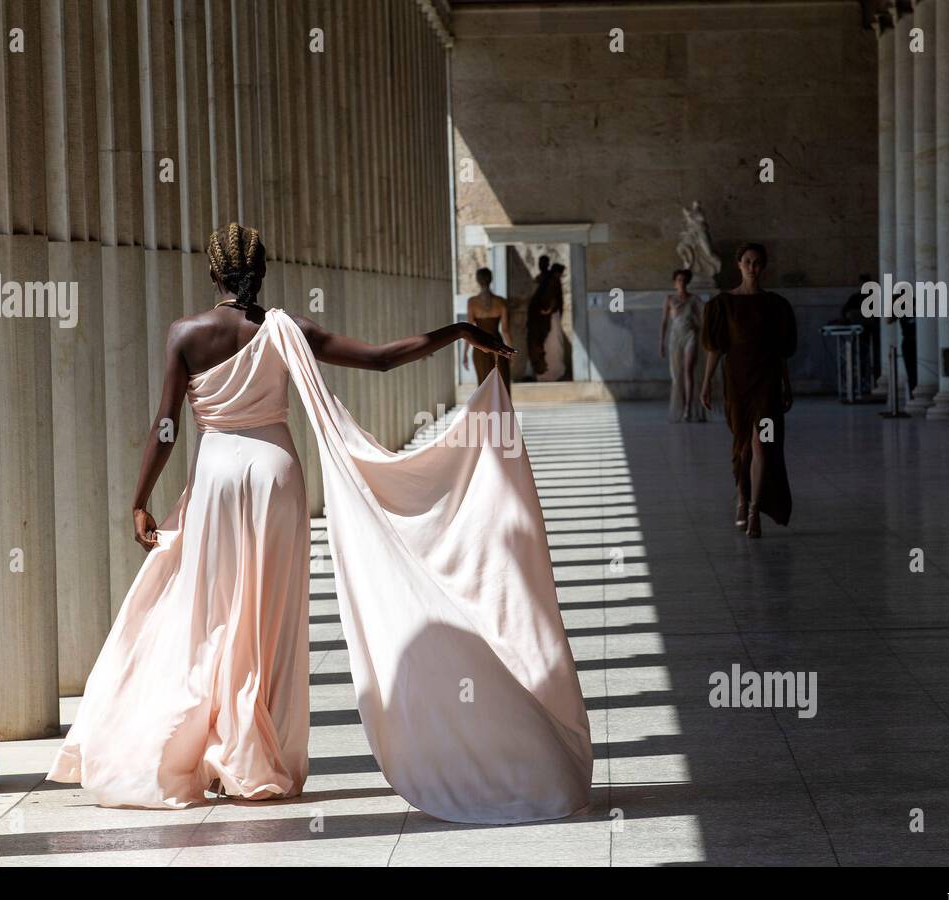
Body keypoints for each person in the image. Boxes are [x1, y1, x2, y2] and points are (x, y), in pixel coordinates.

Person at [47, 224, 593, 825]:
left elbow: (166, 425)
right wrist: (459, 331)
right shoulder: (287, 330)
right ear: (263, 269)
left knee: (216, 612)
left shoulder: (186, 333)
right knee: (271, 618)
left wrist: (141, 496)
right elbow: (383, 360)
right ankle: (259, 760)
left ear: (213, 273)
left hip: (218, 476)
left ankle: (216, 750)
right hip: (277, 474)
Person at [700, 242, 797, 538]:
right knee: (742, 447)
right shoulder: (722, 305)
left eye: (757, 263)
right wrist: (706, 383)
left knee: (761, 444)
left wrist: (787, 385)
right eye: (748, 262)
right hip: (737, 384)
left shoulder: (776, 305)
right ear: (738, 265)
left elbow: (780, 351)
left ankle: (754, 510)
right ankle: (741, 498)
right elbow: (716, 349)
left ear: (763, 266)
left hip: (767, 384)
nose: (752, 268)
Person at [660, 268, 705, 422]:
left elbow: (704, 317)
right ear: (675, 283)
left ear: (688, 282)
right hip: (675, 338)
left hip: (690, 335)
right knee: (677, 374)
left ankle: (688, 408)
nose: (682, 282)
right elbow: (664, 322)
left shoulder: (694, 299)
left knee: (688, 371)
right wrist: (661, 342)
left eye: (684, 280)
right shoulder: (669, 299)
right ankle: (681, 405)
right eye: (679, 280)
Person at [463, 266, 512, 395]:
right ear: (491, 280)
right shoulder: (501, 302)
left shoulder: (472, 302)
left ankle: (486, 414)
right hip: (498, 345)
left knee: (483, 384)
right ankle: (503, 414)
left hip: (480, 346)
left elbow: (468, 329)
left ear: (478, 281)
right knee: (501, 384)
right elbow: (505, 330)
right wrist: (510, 350)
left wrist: (465, 354)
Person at [526, 256, 562, 379]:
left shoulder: (552, 279)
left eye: (544, 263)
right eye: (540, 262)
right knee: (536, 344)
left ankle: (553, 372)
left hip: (548, 317)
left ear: (547, 264)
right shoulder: (538, 279)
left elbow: (556, 298)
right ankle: (539, 371)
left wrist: (549, 310)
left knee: (551, 344)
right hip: (536, 318)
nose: (541, 265)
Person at [841, 273, 876, 387]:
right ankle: (862, 381)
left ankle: (868, 381)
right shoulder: (856, 298)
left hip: (872, 333)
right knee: (859, 358)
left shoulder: (875, 297)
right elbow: (845, 313)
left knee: (867, 358)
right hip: (860, 333)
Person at [536, 262, 568, 381]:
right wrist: (548, 311)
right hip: (550, 316)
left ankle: (553, 371)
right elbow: (553, 299)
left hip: (550, 315)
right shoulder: (552, 282)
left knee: (553, 343)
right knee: (553, 343)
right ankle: (552, 372)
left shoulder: (548, 281)